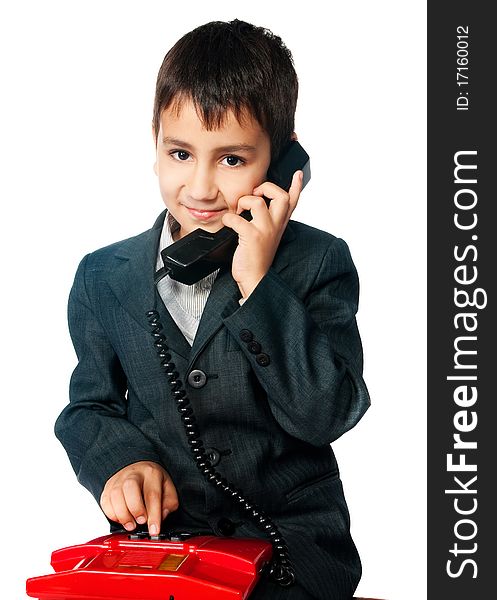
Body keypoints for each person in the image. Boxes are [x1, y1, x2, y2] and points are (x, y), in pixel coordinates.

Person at [55, 19, 370, 599]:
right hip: (165, 551)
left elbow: (329, 412)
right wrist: (118, 462)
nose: (199, 187)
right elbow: (89, 406)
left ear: (282, 165)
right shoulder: (103, 277)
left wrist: (257, 282)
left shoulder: (319, 262)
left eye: (231, 160)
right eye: (180, 153)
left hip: (290, 555)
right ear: (154, 146)